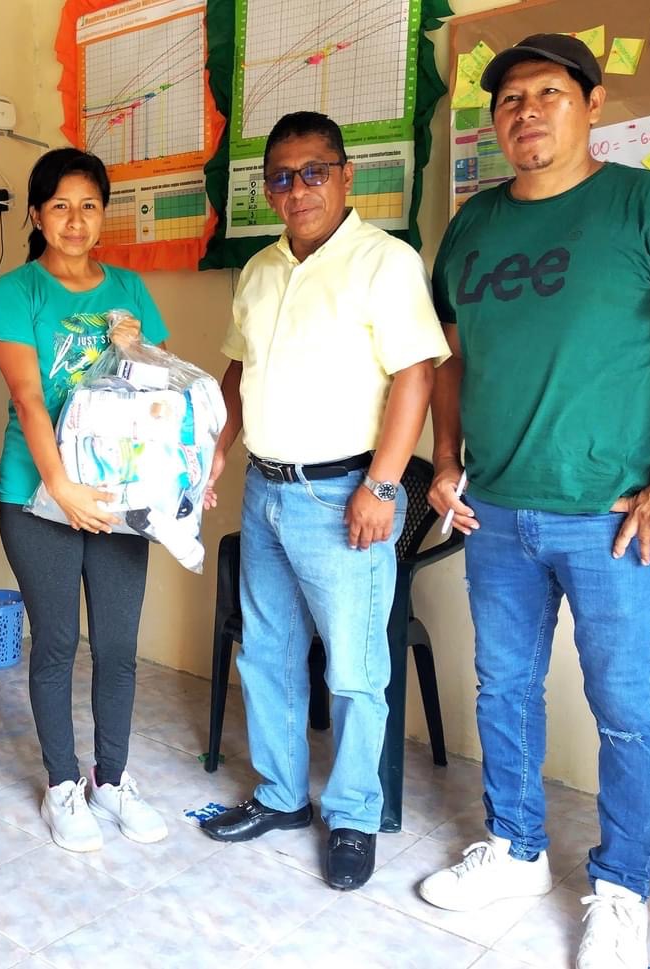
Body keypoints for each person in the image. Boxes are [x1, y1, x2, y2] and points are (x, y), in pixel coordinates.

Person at [418, 35, 650, 968]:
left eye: (548, 92)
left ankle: (621, 887)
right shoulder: (473, 223)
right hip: (496, 512)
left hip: (613, 520)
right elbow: (450, 355)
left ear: (592, 104)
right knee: (504, 689)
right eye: (509, 99)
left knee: (626, 708)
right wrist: (444, 461)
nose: (526, 111)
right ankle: (516, 849)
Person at [198, 111, 450, 891]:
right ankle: (281, 794)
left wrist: (383, 485)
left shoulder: (385, 261)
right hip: (266, 489)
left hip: (345, 493)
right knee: (267, 654)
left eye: (314, 171)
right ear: (268, 189)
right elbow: (238, 369)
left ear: (345, 176)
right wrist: (217, 447)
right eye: (281, 176)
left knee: (353, 668)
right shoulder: (259, 269)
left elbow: (416, 374)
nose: (297, 188)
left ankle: (352, 814)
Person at [0, 147, 170, 852]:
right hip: (38, 495)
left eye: (89, 205)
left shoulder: (129, 288)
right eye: (60, 205)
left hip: (119, 495)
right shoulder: (17, 291)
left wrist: (138, 348)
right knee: (58, 643)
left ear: (103, 215)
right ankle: (63, 783)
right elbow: (28, 397)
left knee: (118, 646)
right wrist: (60, 485)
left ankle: (112, 781)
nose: (75, 219)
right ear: (37, 214)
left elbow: (159, 394)